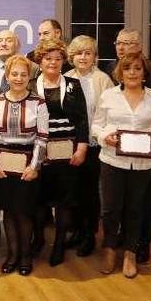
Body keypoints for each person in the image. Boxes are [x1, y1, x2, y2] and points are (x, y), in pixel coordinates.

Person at [92, 52, 151, 279]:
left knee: (136, 209)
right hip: (112, 161)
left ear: (145, 73)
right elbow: (97, 126)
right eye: (128, 69)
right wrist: (106, 136)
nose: (132, 73)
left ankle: (130, 253)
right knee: (110, 208)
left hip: (143, 164)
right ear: (120, 73)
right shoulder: (108, 96)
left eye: (137, 68)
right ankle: (108, 249)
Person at [105, 27, 151, 263]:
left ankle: (142, 243)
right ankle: (118, 240)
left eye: (128, 43)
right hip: (114, 153)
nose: (122, 48)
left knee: (141, 202)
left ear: (139, 47)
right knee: (114, 202)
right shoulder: (108, 69)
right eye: (119, 43)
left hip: (142, 153)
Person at [29, 39, 89, 267]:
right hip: (39, 152)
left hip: (67, 153)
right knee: (38, 200)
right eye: (48, 58)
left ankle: (60, 245)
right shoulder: (31, 85)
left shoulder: (73, 84)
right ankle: (39, 240)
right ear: (40, 61)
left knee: (64, 202)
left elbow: (82, 119)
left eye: (57, 59)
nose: (53, 63)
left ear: (63, 61)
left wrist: (82, 147)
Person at [0, 55, 48, 276]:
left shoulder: (38, 103)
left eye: (23, 74)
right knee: (9, 213)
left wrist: (35, 167)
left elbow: (42, 138)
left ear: (29, 76)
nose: (19, 78)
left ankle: (25, 257)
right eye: (14, 74)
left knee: (24, 213)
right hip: (3, 165)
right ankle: (11, 255)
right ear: (7, 75)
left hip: (27, 165)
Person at [63, 35, 114, 257]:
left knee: (90, 192)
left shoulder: (103, 80)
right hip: (67, 144)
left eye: (88, 53)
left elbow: (109, 114)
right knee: (71, 190)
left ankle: (89, 235)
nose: (83, 57)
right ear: (71, 56)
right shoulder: (65, 78)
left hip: (94, 146)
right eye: (78, 53)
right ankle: (75, 231)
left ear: (95, 56)